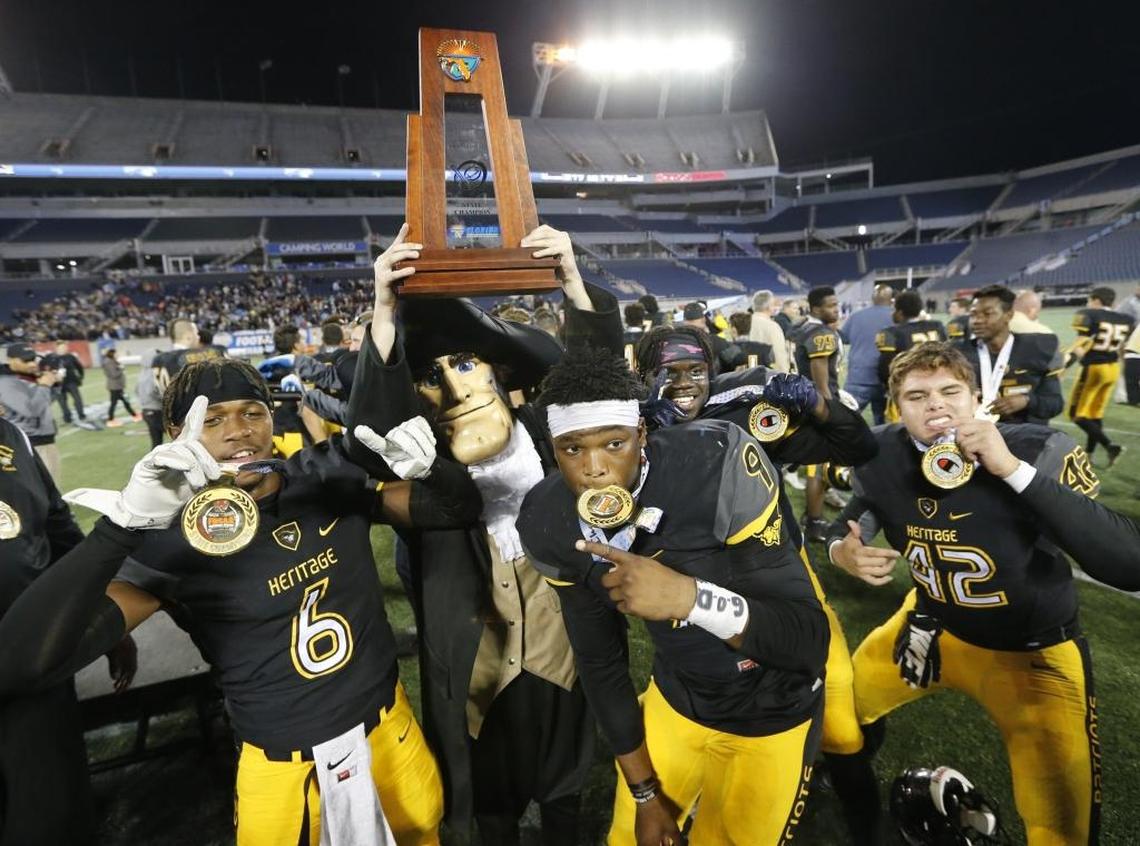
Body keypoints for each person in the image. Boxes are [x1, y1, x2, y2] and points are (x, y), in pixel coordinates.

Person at [0, 356, 484, 846]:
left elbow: (455, 509)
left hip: (387, 726)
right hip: (280, 762)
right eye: (210, 419)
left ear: (273, 418)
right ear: (176, 433)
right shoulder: (168, 541)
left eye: (252, 412)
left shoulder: (327, 475)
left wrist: (433, 472)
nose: (237, 432)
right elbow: (23, 663)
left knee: (422, 832)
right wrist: (119, 528)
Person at [346, 223, 620, 845]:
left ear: (498, 371)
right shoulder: (421, 473)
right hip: (474, 676)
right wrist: (383, 310)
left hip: (564, 659)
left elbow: (601, 389)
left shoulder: (553, 441)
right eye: (429, 374)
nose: (453, 386)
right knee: (484, 807)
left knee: (566, 796)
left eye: (465, 362)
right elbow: (369, 435)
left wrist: (573, 281)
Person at [826, 341, 1140, 845]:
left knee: (1063, 830)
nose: (937, 405)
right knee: (837, 713)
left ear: (977, 399)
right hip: (929, 627)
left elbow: (1128, 564)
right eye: (917, 395)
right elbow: (854, 518)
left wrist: (1012, 470)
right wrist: (842, 548)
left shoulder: (1037, 448)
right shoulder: (880, 452)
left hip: (1034, 654)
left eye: (951, 391)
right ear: (895, 407)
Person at [515, 346, 829, 846]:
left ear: (642, 434)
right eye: (573, 449)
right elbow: (600, 663)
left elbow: (808, 643)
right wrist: (644, 794)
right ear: (552, 449)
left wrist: (690, 598)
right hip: (679, 697)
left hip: (775, 705)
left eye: (613, 443)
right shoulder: (547, 518)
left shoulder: (715, 462)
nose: (595, 469)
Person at [631, 323, 883, 842]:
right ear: (642, 376)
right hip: (680, 594)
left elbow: (857, 446)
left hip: (775, 576)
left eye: (694, 370)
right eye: (667, 372)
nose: (683, 383)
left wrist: (816, 402)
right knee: (697, 700)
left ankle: (865, 826)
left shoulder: (744, 410)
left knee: (835, 707)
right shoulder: (626, 431)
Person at [0, 414, 135, 846]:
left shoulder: (10, 434)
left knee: (50, 805)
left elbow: (58, 529)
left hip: (39, 665)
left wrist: (103, 620)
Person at [958, 285, 1062, 425]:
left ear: (1009, 315)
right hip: (978, 437)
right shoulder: (958, 354)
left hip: (1027, 437)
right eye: (973, 314)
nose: (977, 320)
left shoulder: (1038, 348)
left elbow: (1055, 403)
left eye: (987, 314)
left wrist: (1027, 401)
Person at [790, 287, 843, 541]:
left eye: (836, 304)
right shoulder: (820, 334)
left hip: (804, 401)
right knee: (817, 468)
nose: (836, 309)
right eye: (830, 305)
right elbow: (822, 386)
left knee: (820, 465)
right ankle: (814, 521)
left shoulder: (800, 328)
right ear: (815, 308)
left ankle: (817, 509)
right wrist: (831, 415)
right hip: (818, 406)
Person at [1065, 286, 1136, 467]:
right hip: (1112, 368)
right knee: (1094, 414)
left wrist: (1064, 366)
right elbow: (1123, 347)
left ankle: (1109, 445)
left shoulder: (1090, 314)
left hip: (1094, 369)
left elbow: (1081, 345)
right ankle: (1089, 454)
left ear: (1096, 300)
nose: (1088, 304)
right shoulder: (1125, 319)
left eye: (1090, 300)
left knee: (1077, 414)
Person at [0, 343, 61, 482]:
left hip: (40, 441)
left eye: (33, 359)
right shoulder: (6, 382)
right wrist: (44, 385)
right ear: (11, 360)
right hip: (31, 443)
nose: (32, 364)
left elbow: (45, 404)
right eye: (26, 360)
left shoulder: (24, 377)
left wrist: (54, 385)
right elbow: (31, 411)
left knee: (49, 490)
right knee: (44, 492)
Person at [841, 283, 895, 424]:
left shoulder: (856, 316)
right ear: (891, 299)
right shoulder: (896, 317)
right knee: (883, 424)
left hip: (858, 376)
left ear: (872, 298)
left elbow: (844, 338)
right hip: (886, 378)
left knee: (845, 420)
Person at [153, 318, 227, 394]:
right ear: (188, 336)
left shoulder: (160, 359)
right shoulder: (215, 351)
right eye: (197, 333)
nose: (199, 337)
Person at [681, 302, 744, 374]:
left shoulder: (673, 342)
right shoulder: (715, 341)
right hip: (711, 383)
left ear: (684, 322)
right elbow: (739, 358)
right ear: (703, 320)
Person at [45, 340, 93, 429]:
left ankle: (81, 415)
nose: (63, 349)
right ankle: (67, 418)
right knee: (62, 402)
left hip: (71, 381)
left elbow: (79, 367)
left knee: (77, 399)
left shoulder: (70, 357)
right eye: (61, 347)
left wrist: (80, 377)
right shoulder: (51, 358)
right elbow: (47, 371)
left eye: (64, 347)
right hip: (58, 384)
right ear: (57, 348)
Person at [749, 289, 790, 372]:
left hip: (748, 373)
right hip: (767, 374)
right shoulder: (772, 326)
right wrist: (785, 376)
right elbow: (779, 353)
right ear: (768, 306)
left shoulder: (745, 322)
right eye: (773, 304)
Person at [102, 348, 140, 426]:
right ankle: (110, 419)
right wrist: (121, 369)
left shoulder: (111, 361)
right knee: (118, 403)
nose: (118, 355)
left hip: (117, 386)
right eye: (116, 353)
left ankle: (133, 414)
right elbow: (114, 374)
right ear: (112, 354)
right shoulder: (109, 362)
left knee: (124, 401)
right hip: (115, 387)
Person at [137, 349, 166, 448]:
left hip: (146, 410)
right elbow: (152, 391)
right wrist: (165, 399)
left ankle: (154, 462)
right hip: (156, 411)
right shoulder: (152, 373)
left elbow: (136, 391)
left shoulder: (142, 373)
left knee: (156, 442)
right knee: (178, 436)